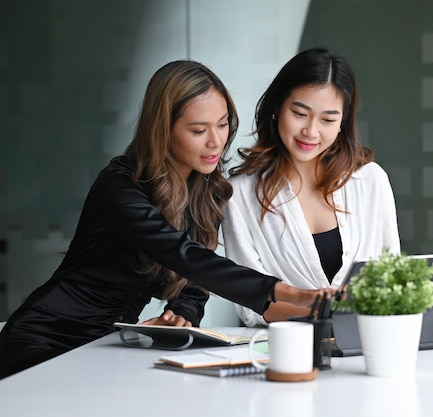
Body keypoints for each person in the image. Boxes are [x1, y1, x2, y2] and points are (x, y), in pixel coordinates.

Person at [0, 60, 331, 379]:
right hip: (46, 338)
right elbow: (181, 254)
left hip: (105, 347)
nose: (216, 141)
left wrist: (182, 313)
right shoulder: (121, 183)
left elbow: (196, 276)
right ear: (164, 130)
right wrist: (281, 291)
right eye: (199, 130)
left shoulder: (207, 190)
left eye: (222, 123)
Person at [222, 47, 401, 327]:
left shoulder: (370, 182)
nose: (311, 132)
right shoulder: (240, 194)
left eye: (328, 120)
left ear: (343, 122)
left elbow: (393, 278)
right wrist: (321, 315)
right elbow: (249, 306)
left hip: (365, 350)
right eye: (300, 113)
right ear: (277, 108)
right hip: (284, 352)